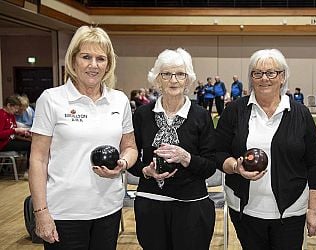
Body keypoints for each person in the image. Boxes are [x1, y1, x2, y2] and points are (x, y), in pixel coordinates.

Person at [28, 26, 138, 249]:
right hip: (64, 212)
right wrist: (41, 213)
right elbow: (38, 160)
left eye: (100, 58)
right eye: (86, 57)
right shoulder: (51, 99)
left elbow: (130, 146)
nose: (93, 65)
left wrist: (122, 163)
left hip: (108, 208)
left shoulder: (119, 100)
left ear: (108, 64)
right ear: (73, 60)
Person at [215, 48, 316, 249]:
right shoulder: (234, 111)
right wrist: (234, 166)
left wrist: (315, 210)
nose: (264, 78)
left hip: (291, 210)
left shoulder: (300, 114)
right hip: (244, 209)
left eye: (271, 72)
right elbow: (218, 152)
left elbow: (314, 165)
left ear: (282, 77)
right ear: (251, 77)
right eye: (257, 73)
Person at [129, 48, 216, 250]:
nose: (173, 80)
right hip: (151, 202)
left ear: (188, 79)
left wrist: (187, 158)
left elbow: (211, 165)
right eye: (166, 74)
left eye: (180, 74)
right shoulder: (142, 114)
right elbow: (131, 158)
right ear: (157, 79)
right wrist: (146, 171)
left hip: (192, 204)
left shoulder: (201, 115)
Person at [0, 95, 32, 171]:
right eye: (15, 108)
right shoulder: (1, 115)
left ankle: (29, 169)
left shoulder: (11, 116)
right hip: (3, 143)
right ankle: (28, 170)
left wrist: (24, 133)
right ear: (8, 105)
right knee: (30, 145)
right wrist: (15, 130)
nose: (16, 111)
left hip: (10, 140)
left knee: (32, 142)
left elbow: (14, 131)